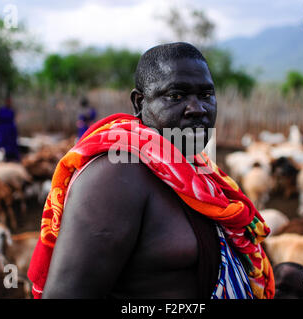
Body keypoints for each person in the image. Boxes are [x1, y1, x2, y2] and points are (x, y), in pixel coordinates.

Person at [28, 42, 274, 299]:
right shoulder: (116, 175)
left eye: (206, 95)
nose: (198, 108)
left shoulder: (196, 168)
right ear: (139, 102)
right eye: (176, 96)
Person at [0, 97, 20, 161]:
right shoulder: (1, 110)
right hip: (3, 130)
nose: (9, 103)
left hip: (10, 130)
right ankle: (2, 158)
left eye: (10, 102)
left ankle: (11, 157)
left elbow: (13, 120)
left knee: (12, 145)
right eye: (8, 102)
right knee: (2, 144)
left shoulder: (12, 111)